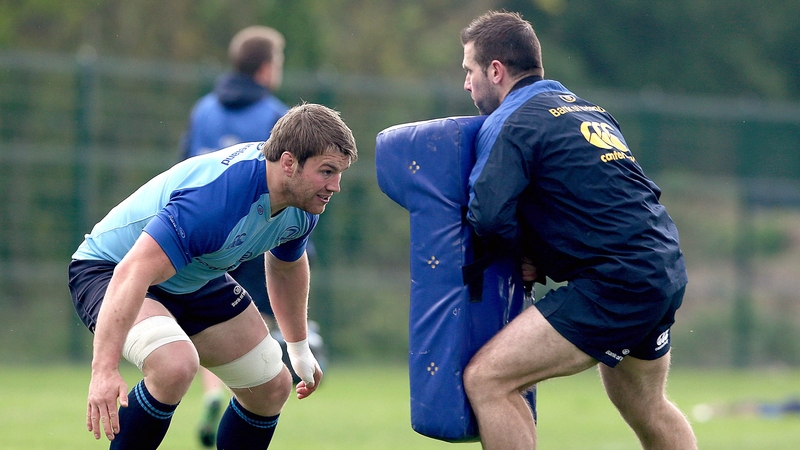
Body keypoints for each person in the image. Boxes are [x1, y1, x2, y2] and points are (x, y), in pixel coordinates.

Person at [459, 11, 697, 450]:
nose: (467, 85)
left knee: (488, 380)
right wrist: (539, 251)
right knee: (648, 406)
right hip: (663, 267)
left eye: (470, 71)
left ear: (496, 70)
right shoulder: (587, 110)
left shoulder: (510, 120)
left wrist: (523, 254)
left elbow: (488, 215)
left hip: (615, 284)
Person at [68, 102, 357, 449]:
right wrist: (103, 369)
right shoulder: (218, 199)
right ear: (289, 162)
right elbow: (135, 269)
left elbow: (286, 265)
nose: (335, 186)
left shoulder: (303, 204)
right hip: (111, 269)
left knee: (271, 387)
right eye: (327, 171)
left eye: (339, 173)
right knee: (174, 366)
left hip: (191, 275)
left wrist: (298, 349)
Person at [180, 25, 325, 447]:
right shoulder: (277, 114)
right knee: (250, 322)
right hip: (256, 230)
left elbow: (182, 168)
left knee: (208, 315)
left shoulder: (203, 108)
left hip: (199, 231)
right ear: (265, 69)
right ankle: (237, 400)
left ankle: (211, 393)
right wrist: (300, 243)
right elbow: (291, 183)